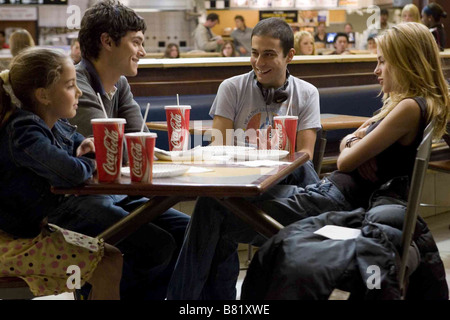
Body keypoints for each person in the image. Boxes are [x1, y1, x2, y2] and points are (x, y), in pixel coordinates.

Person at [241, 22, 450, 300]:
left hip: (335, 200)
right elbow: (350, 147)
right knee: (227, 205)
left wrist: (355, 145)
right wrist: (355, 141)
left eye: (382, 62)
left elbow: (345, 161)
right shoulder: (406, 105)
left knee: (219, 208)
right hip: (330, 194)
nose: (376, 70)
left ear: (406, 62)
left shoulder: (408, 107)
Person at [167, 17, 321, 300]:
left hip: (283, 191)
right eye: (254, 52)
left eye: (269, 54)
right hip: (238, 185)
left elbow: (304, 156)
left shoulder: (306, 93)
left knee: (212, 209)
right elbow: (218, 147)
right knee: (215, 206)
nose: (259, 62)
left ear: (290, 56)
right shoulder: (232, 87)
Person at [57, 0, 190, 300]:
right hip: (73, 201)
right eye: (137, 43)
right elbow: (117, 155)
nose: (143, 52)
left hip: (116, 194)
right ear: (107, 41)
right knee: (156, 244)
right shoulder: (74, 86)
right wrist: (137, 151)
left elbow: (138, 144)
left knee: (187, 231)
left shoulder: (119, 84)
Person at [0, 47, 123, 300]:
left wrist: (85, 149)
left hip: (26, 233)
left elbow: (73, 154)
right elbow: (74, 173)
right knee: (108, 262)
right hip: (10, 243)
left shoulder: (42, 124)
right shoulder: (23, 129)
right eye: (70, 86)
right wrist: (91, 158)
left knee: (112, 256)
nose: (77, 91)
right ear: (43, 95)